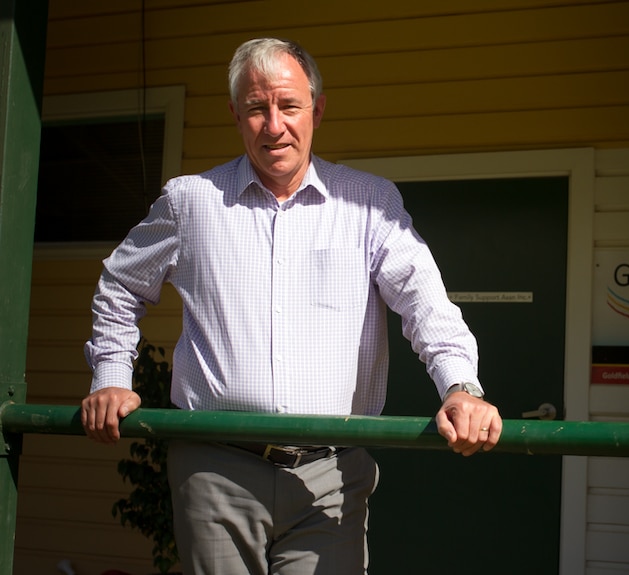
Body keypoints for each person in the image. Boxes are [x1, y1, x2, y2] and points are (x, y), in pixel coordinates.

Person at [80, 37, 502, 574]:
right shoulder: (191, 201)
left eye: (289, 106)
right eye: (257, 108)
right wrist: (112, 375)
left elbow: (425, 303)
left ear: (318, 110)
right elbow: (121, 285)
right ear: (236, 115)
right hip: (216, 470)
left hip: (330, 476)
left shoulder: (369, 203)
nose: (274, 125)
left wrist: (460, 387)